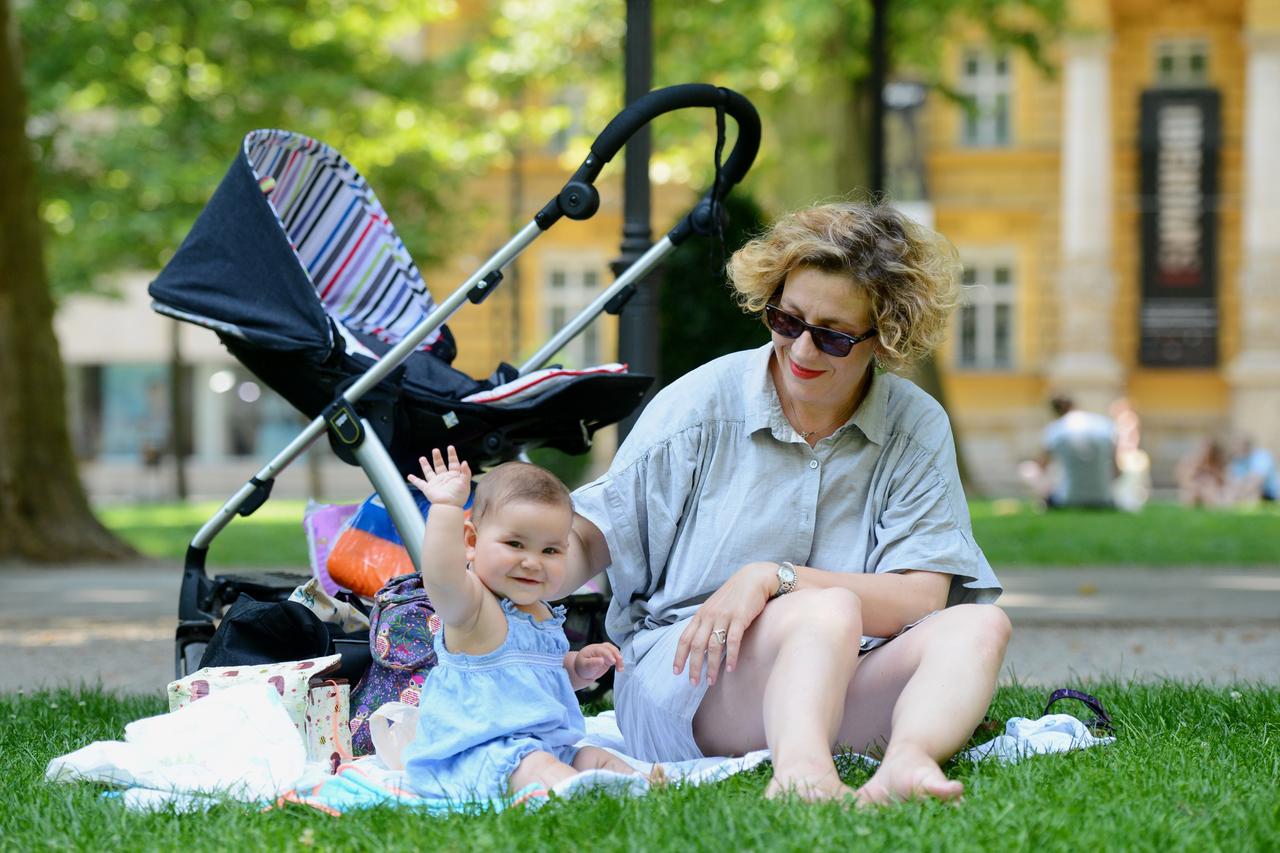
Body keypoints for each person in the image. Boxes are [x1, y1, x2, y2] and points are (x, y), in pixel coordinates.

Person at [563, 202, 1009, 804]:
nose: (801, 351)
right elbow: (595, 534)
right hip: (686, 682)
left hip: (838, 673)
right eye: (787, 320)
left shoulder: (915, 426)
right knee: (826, 611)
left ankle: (907, 761)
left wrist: (774, 577)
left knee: (980, 624)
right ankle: (802, 777)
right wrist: (483, 575)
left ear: (886, 337)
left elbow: (922, 597)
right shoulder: (703, 402)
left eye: (833, 336)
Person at [401, 447, 642, 801]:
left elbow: (538, 673)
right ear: (471, 541)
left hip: (546, 745)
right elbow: (442, 576)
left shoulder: (539, 610)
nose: (532, 563)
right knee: (540, 768)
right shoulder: (472, 607)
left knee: (594, 757)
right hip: (481, 752)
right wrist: (446, 509)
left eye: (550, 551)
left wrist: (577, 667)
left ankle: (644, 787)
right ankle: (572, 798)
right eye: (515, 544)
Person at [1024, 396, 1117, 509]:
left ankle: (1045, 501)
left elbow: (1041, 466)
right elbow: (1116, 468)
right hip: (1104, 499)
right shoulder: (1104, 424)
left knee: (1028, 468)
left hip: (1067, 499)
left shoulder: (1055, 429)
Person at [1224, 434, 1279, 504]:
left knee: (1256, 490)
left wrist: (1239, 495)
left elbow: (1257, 480)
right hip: (1244, 491)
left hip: (1269, 493)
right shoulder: (1237, 461)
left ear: (1246, 445)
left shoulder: (1262, 456)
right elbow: (1231, 481)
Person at [1175, 437, 1228, 508]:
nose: (1207, 452)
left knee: (1210, 487)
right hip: (1194, 488)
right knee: (1193, 493)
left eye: (1209, 449)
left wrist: (1212, 472)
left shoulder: (1218, 462)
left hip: (1212, 489)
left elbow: (1224, 481)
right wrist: (1197, 467)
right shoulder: (1191, 460)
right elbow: (1184, 479)